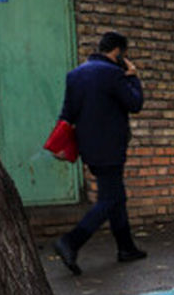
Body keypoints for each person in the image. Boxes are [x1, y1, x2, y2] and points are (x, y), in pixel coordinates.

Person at [54, 31, 146, 275]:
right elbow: (135, 104)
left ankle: (126, 248)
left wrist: (60, 144)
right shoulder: (114, 74)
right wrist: (133, 77)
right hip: (111, 147)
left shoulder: (75, 75)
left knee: (116, 196)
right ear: (118, 52)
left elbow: (67, 114)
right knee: (110, 199)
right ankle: (71, 241)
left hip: (88, 147)